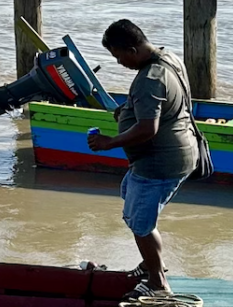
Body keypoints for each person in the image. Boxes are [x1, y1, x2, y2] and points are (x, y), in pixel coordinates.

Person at [79, 19, 200, 290]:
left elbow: (147, 129)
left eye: (119, 56)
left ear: (132, 50)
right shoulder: (169, 58)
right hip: (178, 155)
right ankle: (150, 263)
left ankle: (157, 281)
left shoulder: (149, 79)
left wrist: (110, 142)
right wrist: (127, 109)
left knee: (141, 224)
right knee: (135, 210)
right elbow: (162, 105)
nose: (119, 62)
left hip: (158, 163)